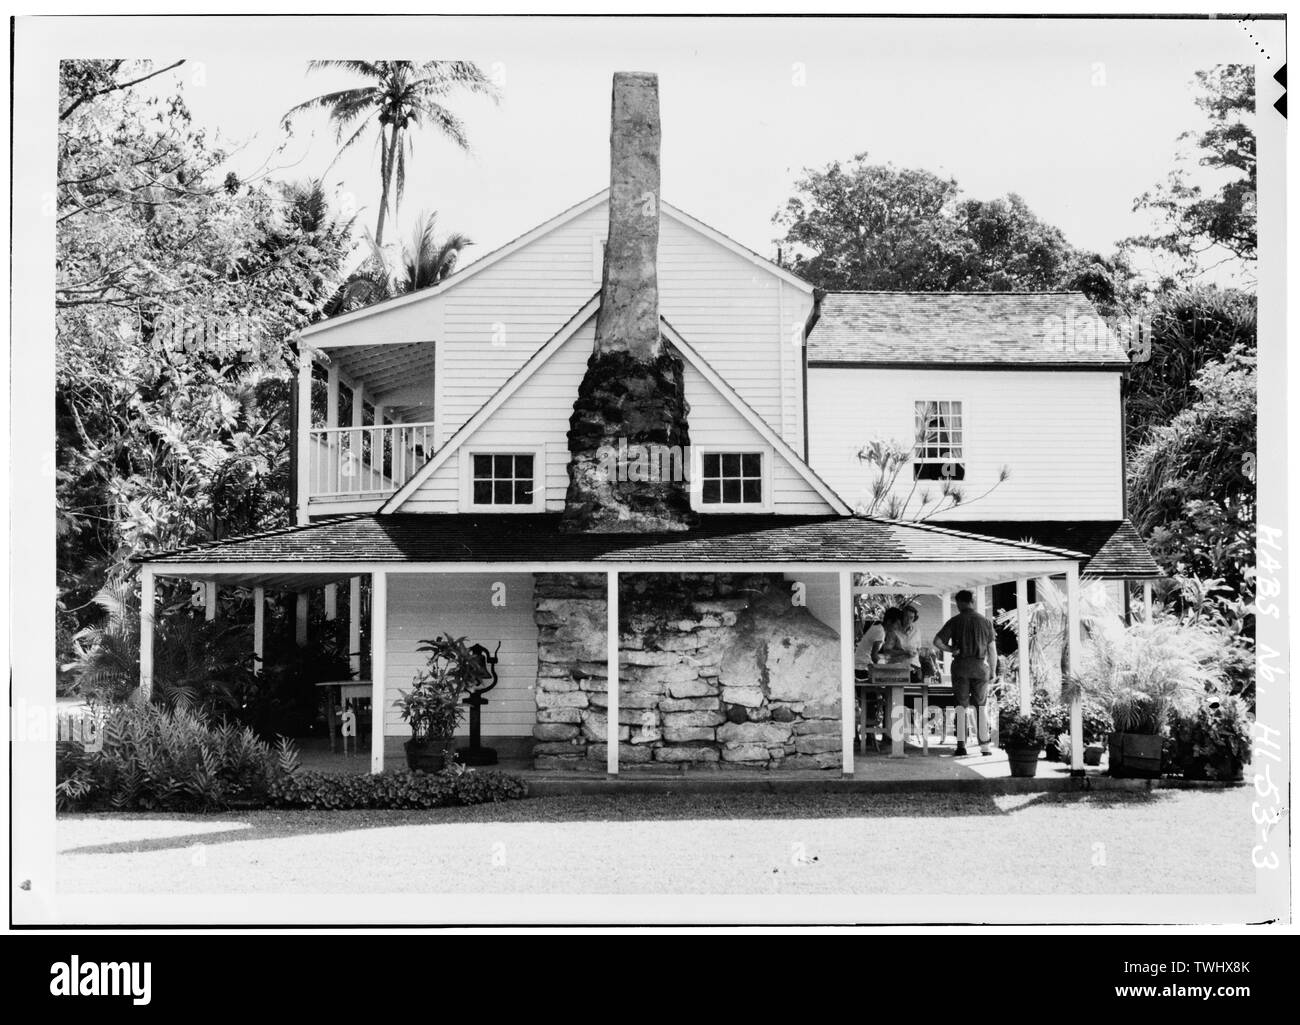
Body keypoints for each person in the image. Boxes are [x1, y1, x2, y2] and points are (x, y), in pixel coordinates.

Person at [933, 589, 997, 756]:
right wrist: (993, 670)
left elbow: (937, 641)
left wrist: (951, 649)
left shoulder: (955, 621)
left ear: (960, 602)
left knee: (960, 706)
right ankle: (985, 746)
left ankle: (961, 745)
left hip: (961, 667)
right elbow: (992, 650)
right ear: (972, 601)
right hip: (980, 668)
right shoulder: (985, 622)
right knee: (981, 707)